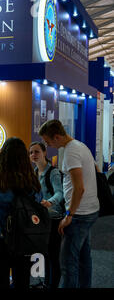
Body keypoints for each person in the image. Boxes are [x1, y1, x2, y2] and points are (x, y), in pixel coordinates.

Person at [39, 120, 99, 288]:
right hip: (89, 211)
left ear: (57, 137)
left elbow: (79, 188)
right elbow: (95, 171)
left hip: (79, 215)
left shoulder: (72, 152)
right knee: (83, 258)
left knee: (68, 263)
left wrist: (69, 215)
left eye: (48, 141)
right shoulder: (80, 146)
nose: (47, 144)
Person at [0, 137, 43, 289]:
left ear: (3, 156)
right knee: (22, 282)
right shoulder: (32, 180)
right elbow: (38, 207)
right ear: (24, 156)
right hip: (25, 239)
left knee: (0, 282)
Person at [29, 141, 65, 288]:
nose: (33, 155)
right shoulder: (34, 173)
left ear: (45, 153)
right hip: (39, 220)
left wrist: (50, 202)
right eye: (31, 153)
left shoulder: (53, 172)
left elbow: (60, 193)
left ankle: (52, 285)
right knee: (39, 254)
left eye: (37, 152)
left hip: (53, 219)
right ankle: (40, 283)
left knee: (53, 256)